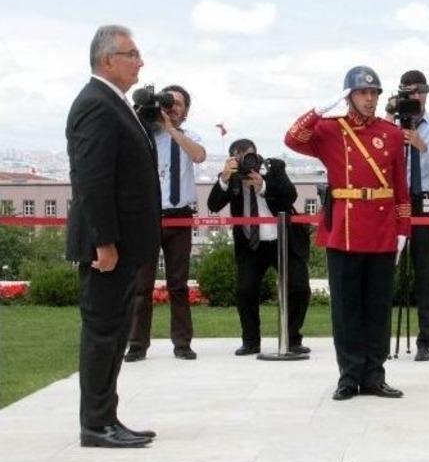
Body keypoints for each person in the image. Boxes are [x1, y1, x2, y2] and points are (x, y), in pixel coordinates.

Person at [284, 65, 410, 401]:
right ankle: (349, 376)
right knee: (346, 309)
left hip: (382, 229)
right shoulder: (329, 130)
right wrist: (319, 110)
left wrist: (403, 229)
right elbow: (292, 138)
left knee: (377, 308)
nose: (369, 99)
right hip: (345, 230)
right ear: (349, 97)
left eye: (374, 93)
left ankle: (375, 374)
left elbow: (401, 187)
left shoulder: (392, 133)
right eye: (362, 93)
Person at [65, 25, 160, 448]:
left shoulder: (115, 103)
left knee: (115, 332)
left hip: (124, 244)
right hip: (108, 247)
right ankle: (96, 425)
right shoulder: (96, 105)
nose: (140, 61)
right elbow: (92, 181)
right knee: (103, 334)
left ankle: (107, 417)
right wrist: (104, 242)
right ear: (108, 60)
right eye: (132, 53)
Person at [207, 139, 311, 356]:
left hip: (282, 240)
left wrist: (263, 186)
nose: (246, 161)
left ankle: (292, 339)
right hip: (250, 244)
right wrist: (225, 178)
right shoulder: (231, 178)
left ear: (257, 154)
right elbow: (213, 205)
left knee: (299, 288)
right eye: (240, 157)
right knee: (245, 290)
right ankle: (251, 341)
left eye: (249, 156)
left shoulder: (274, 168)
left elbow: (289, 195)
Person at [125, 84, 206, 362]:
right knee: (141, 285)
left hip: (179, 215)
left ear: (186, 111)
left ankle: (182, 343)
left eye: (179, 103)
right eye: (168, 102)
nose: (173, 107)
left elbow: (198, 155)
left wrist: (172, 129)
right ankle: (137, 345)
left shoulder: (187, 135)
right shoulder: (145, 131)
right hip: (147, 216)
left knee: (178, 284)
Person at [385, 70, 429, 362]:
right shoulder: (390, 124)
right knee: (385, 268)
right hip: (393, 200)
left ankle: (426, 340)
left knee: (425, 272)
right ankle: (380, 337)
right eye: (409, 92)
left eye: (420, 91)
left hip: (422, 199)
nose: (415, 96)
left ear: (426, 93)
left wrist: (423, 147)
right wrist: (389, 119)